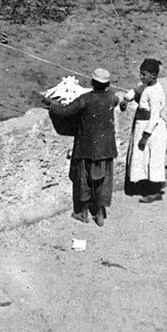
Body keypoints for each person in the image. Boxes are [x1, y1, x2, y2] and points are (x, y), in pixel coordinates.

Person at [46, 67, 119, 227]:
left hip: (86, 148)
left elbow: (65, 111)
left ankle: (83, 213)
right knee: (103, 181)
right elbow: (117, 101)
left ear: (92, 82)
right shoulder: (112, 98)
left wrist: (51, 104)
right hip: (106, 148)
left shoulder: (85, 99)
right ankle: (100, 214)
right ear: (108, 84)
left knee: (83, 180)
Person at [119, 59, 167, 203]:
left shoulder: (155, 92)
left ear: (153, 75)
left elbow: (154, 117)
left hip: (152, 130)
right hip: (142, 126)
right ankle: (146, 187)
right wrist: (126, 100)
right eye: (140, 74)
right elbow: (135, 91)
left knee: (153, 160)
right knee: (143, 159)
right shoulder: (146, 86)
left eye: (144, 74)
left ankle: (154, 192)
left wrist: (145, 136)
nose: (141, 77)